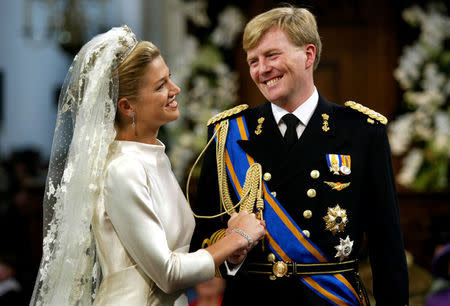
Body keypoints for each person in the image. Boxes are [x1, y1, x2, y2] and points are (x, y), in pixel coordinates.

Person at [30, 26, 265, 306]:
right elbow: (167, 273)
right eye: (160, 86)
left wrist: (230, 252)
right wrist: (235, 238)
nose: (174, 90)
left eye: (170, 79)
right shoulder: (123, 169)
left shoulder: (152, 157)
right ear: (127, 107)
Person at [191, 6, 409, 305]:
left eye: (271, 55)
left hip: (329, 299)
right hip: (254, 299)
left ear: (308, 55)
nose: (261, 69)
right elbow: (203, 236)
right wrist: (232, 251)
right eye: (253, 61)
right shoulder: (229, 134)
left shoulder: (361, 131)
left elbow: (387, 246)